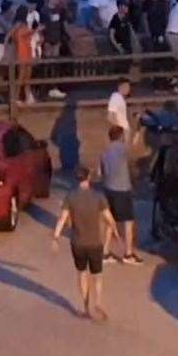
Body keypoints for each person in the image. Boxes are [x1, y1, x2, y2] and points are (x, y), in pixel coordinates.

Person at [50, 166, 117, 321]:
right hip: (95, 243)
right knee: (97, 275)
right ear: (88, 178)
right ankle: (98, 301)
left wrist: (56, 238)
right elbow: (109, 218)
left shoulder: (70, 197)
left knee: (82, 273)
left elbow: (62, 219)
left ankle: (86, 307)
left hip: (78, 243)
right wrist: (114, 230)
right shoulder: (98, 196)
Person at [99, 126, 140, 265]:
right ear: (121, 136)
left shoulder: (104, 152)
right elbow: (134, 146)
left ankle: (104, 252)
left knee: (111, 221)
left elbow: (101, 173)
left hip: (108, 189)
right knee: (128, 222)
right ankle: (128, 254)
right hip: (122, 190)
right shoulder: (122, 148)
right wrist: (139, 130)